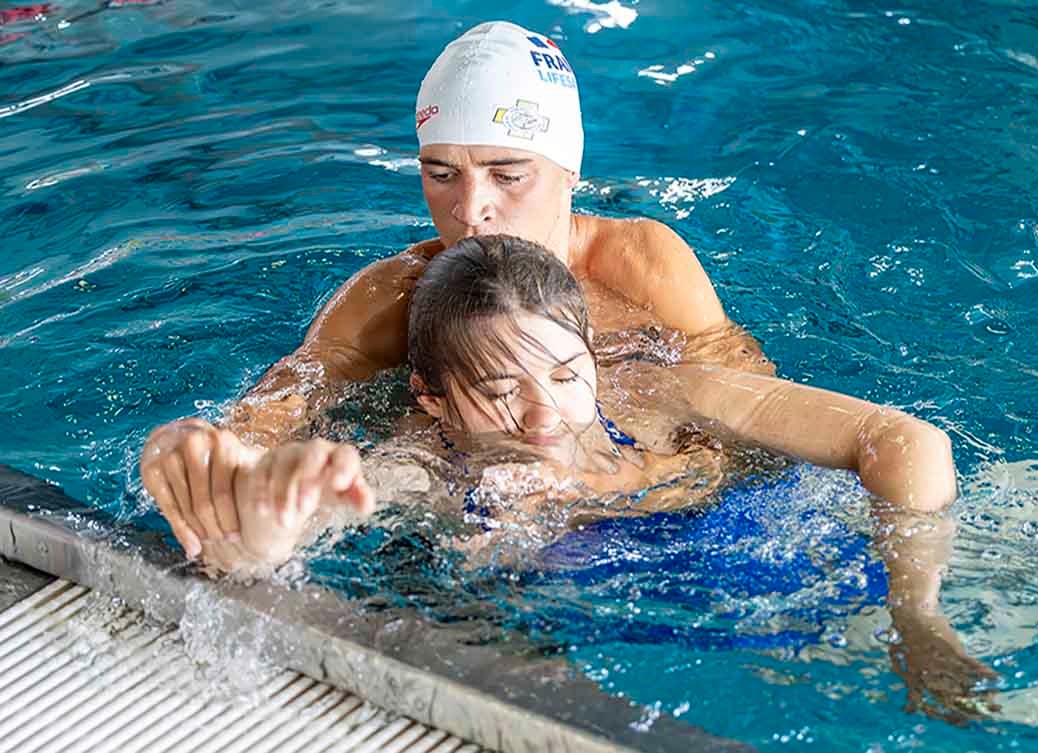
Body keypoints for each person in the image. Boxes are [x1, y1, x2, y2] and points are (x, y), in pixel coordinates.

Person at [143, 234, 994, 722]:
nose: (545, 415)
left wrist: (916, 611)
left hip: (858, 592)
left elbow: (907, 441)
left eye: (563, 373)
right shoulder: (422, 469)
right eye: (499, 390)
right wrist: (279, 500)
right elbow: (260, 553)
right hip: (671, 669)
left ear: (593, 354)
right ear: (432, 400)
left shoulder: (660, 396)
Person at [142, 20, 777, 551]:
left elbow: (754, 407)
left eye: (508, 175)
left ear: (569, 168)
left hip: (662, 504)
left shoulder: (641, 262)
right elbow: (283, 401)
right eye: (442, 173)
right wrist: (213, 451)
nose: (470, 210)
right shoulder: (391, 295)